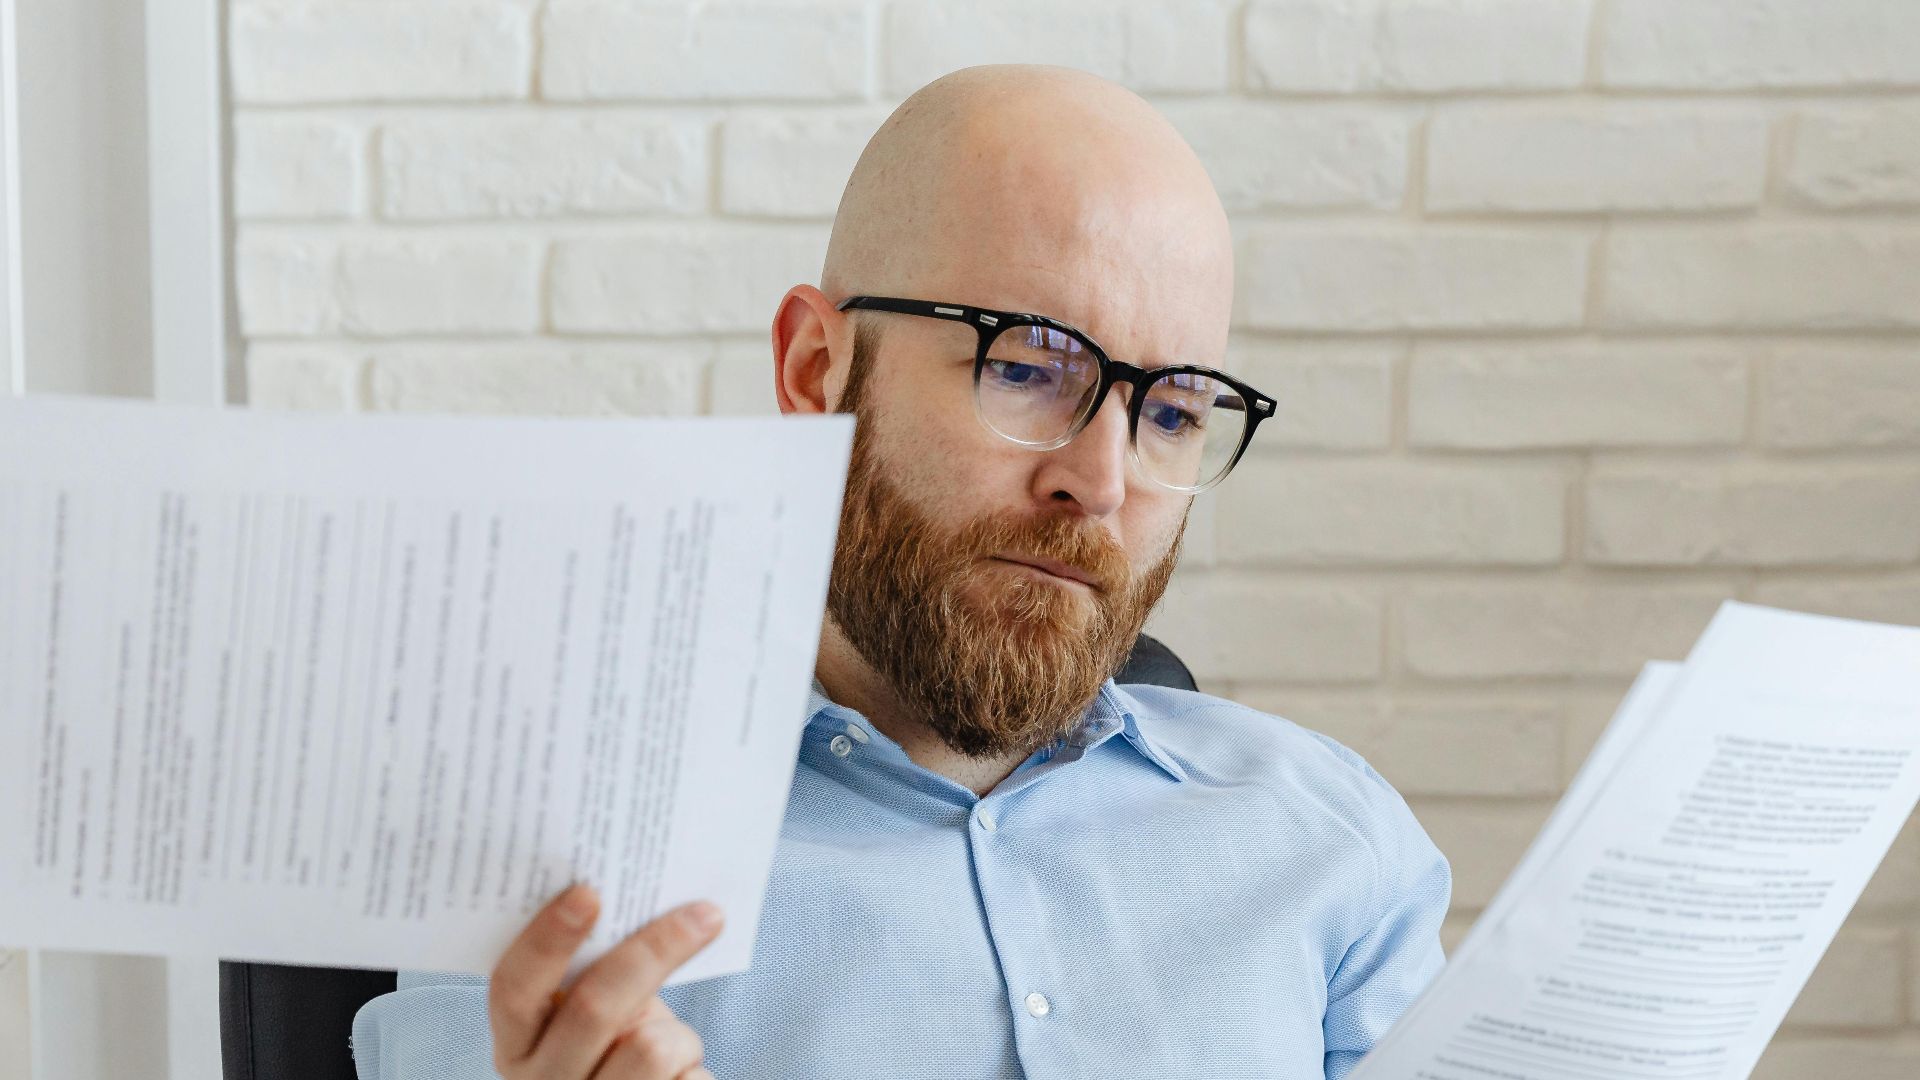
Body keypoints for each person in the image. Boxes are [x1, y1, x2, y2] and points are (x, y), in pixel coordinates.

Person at [350, 64, 1450, 1080]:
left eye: (1171, 412)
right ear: (815, 369)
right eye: (1027, 366)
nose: (1103, 480)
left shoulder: (1331, 838)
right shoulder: (560, 863)